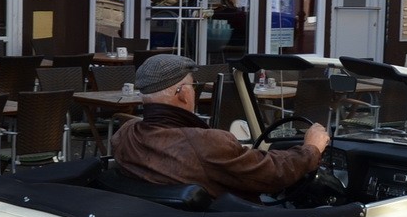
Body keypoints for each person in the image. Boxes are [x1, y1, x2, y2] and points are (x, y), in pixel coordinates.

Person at [111, 55, 329, 203]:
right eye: (192, 86)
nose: (193, 92)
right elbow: (273, 173)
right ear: (183, 94)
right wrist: (311, 149)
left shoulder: (125, 135)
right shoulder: (206, 143)